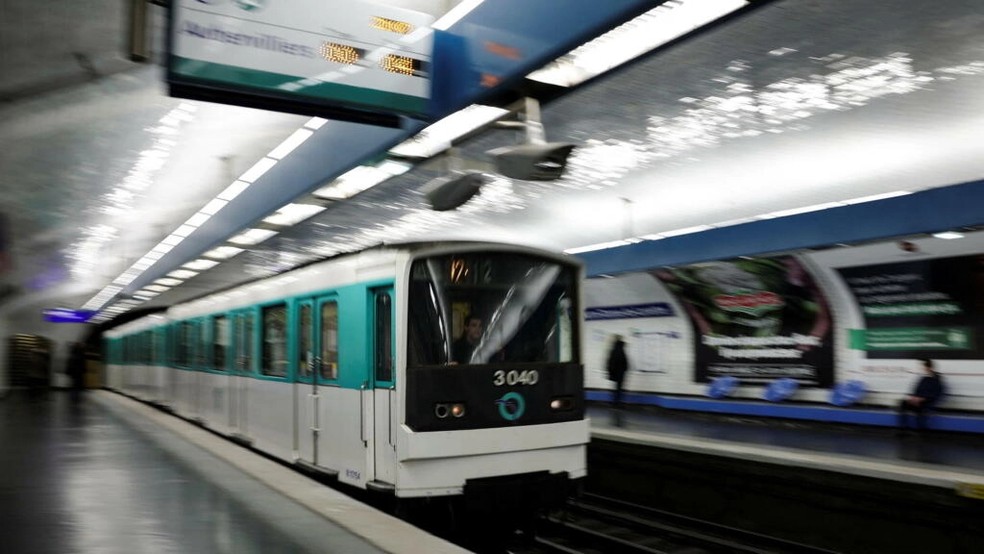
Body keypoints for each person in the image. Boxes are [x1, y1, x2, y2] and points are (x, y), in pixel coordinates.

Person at [897, 358, 945, 433]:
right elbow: (916, 389)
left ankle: (920, 429)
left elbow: (936, 393)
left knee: (920, 408)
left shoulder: (937, 379)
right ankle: (903, 428)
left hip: (927, 402)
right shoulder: (923, 378)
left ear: (930, 367)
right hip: (918, 401)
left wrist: (922, 399)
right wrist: (913, 397)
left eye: (924, 367)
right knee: (903, 403)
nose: (923, 369)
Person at [606, 334, 629, 409]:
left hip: (616, 372)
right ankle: (617, 404)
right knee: (619, 389)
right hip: (620, 372)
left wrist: (610, 372)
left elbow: (610, 362)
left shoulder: (614, 349)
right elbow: (624, 361)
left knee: (616, 388)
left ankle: (615, 403)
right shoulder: (621, 349)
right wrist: (625, 368)